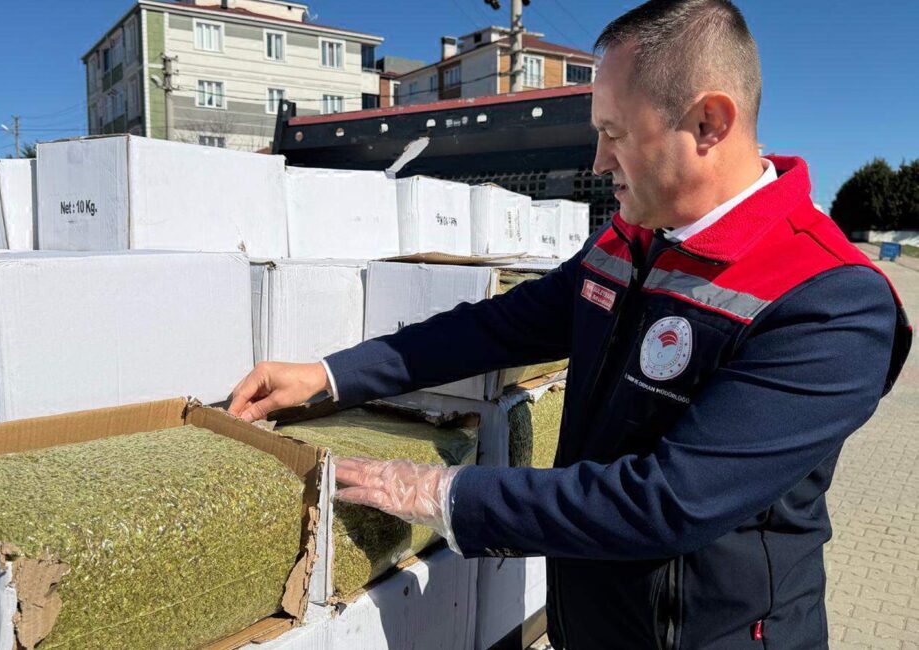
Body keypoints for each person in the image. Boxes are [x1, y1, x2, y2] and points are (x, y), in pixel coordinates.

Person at [229, 0, 912, 646]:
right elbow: (498, 327)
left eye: (614, 134)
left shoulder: (828, 303)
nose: (598, 163)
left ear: (709, 123)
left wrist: (437, 491)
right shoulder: (632, 241)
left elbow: (666, 502)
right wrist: (328, 375)